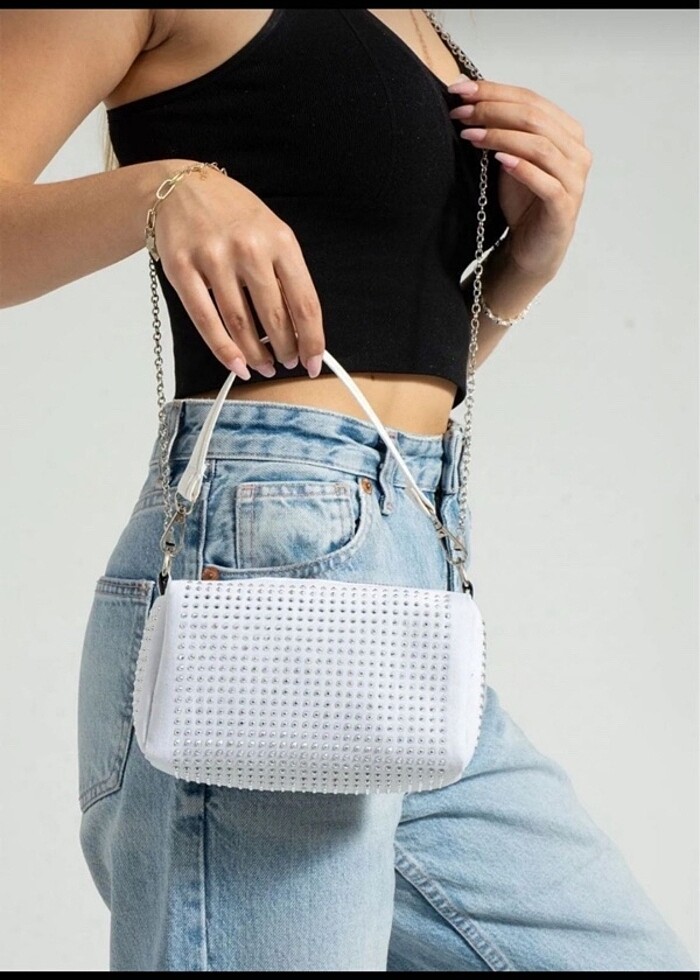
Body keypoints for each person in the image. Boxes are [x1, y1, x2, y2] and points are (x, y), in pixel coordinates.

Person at [0, 9, 694, 973]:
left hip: (413, 577)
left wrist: (522, 269)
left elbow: (371, 371)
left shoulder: (422, 24)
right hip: (260, 576)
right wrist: (162, 190)